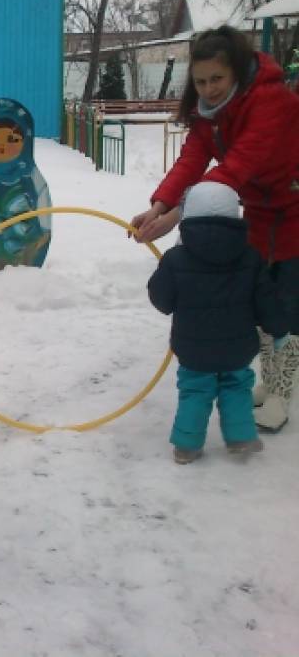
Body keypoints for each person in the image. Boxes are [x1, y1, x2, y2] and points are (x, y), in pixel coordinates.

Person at [130, 26, 299, 432]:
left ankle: (280, 395)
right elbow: (192, 161)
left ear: (237, 71)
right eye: (201, 81)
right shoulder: (211, 114)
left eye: (216, 79)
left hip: (295, 210)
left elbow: (237, 168)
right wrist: (158, 205)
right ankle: (268, 381)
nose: (208, 89)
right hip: (260, 214)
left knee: (288, 307)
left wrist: (177, 215)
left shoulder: (270, 101)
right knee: (258, 301)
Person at [147, 182, 286, 464]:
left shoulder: (175, 259)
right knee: (236, 388)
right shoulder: (250, 257)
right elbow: (266, 301)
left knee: (195, 391)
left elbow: (162, 300)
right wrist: (279, 328)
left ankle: (186, 446)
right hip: (238, 348)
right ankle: (241, 438)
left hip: (193, 348)